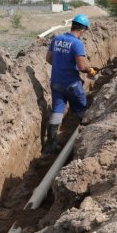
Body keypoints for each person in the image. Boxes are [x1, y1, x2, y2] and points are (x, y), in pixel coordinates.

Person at [44, 14, 97, 153]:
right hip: (72, 84)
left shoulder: (56, 39)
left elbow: (49, 58)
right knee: (82, 110)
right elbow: (81, 67)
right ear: (83, 30)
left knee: (57, 111)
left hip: (56, 82)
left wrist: (61, 67)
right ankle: (85, 140)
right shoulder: (77, 43)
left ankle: (51, 144)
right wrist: (90, 71)